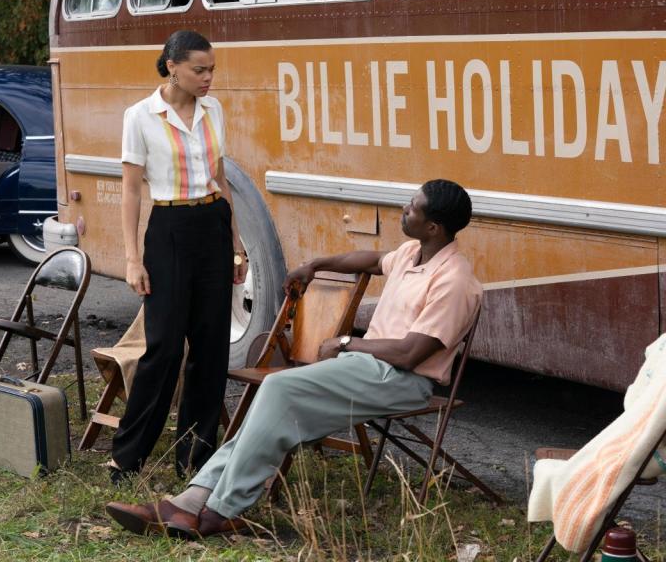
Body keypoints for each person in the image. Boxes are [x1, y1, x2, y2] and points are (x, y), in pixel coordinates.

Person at [106, 178, 483, 539]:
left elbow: (410, 353)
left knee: (279, 389)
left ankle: (217, 511)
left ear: (433, 227)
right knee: (274, 403)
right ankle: (190, 503)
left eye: (412, 208)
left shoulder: (455, 281)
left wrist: (347, 343)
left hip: (404, 380)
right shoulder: (411, 253)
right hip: (368, 369)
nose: (404, 210)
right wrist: (316, 264)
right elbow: (368, 260)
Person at [108, 30, 248, 483]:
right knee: (164, 347)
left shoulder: (214, 110)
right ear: (173, 66)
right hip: (167, 230)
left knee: (211, 349)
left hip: (212, 227)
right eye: (199, 70)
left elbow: (221, 179)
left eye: (212, 70)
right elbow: (131, 191)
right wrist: (132, 259)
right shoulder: (140, 116)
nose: (209, 78)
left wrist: (237, 244)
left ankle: (196, 459)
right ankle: (128, 457)